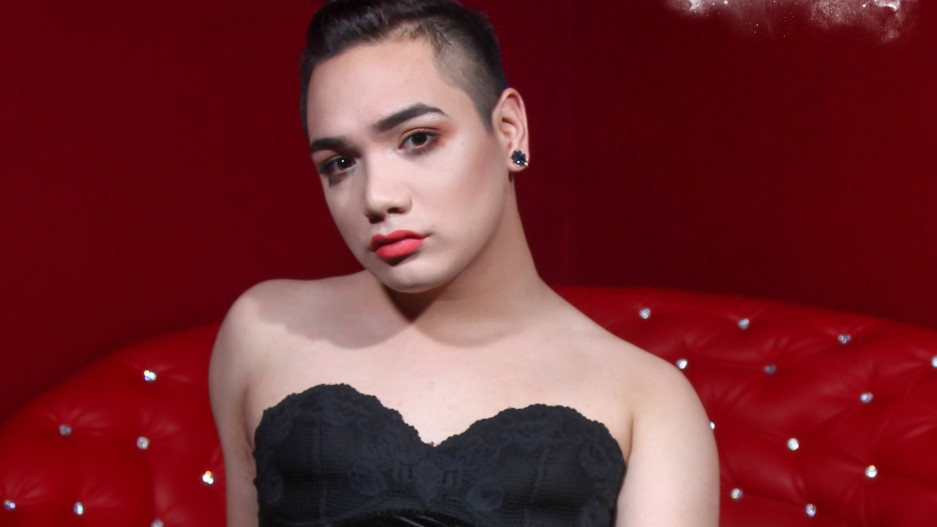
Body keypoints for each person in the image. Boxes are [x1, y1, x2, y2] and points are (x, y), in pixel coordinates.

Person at [209, 1, 719, 526]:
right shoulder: (263, 333)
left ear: (509, 130)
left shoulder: (648, 401)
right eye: (340, 163)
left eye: (418, 139)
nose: (377, 197)